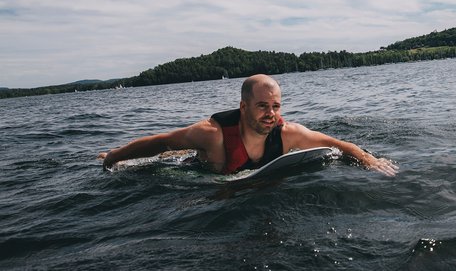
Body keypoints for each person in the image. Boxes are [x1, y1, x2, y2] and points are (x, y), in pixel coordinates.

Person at [98, 74, 398, 176]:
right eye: (262, 106)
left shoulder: (288, 132)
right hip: (197, 167)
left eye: (276, 106)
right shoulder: (211, 134)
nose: (271, 114)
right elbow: (161, 141)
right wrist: (115, 156)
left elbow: (337, 145)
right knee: (168, 156)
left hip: (246, 178)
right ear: (243, 107)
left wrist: (370, 161)